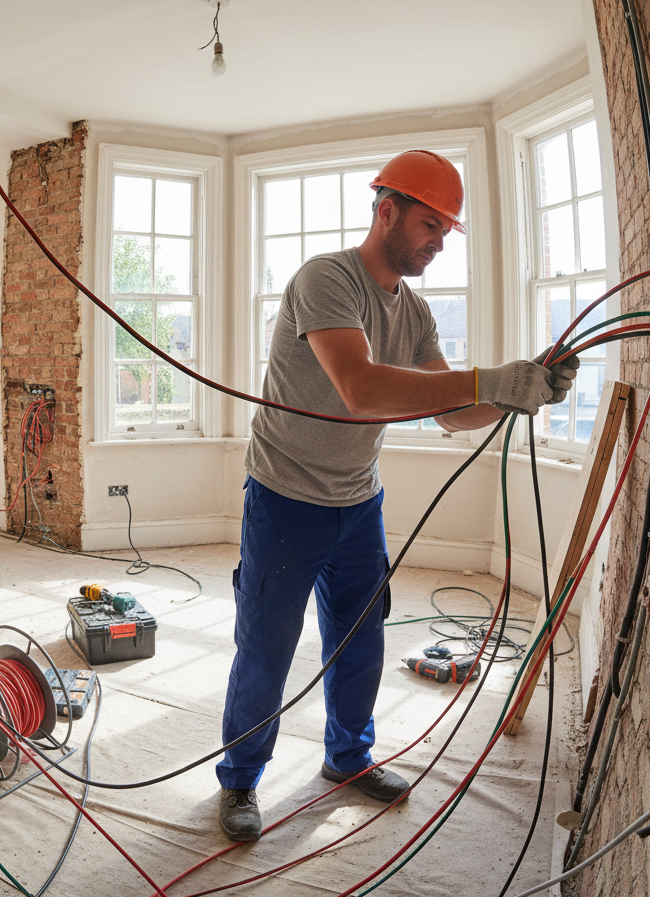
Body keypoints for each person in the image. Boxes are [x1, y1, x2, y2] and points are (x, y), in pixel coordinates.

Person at [216, 150, 579, 842]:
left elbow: (452, 412)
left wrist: (514, 389)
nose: (440, 242)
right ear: (386, 211)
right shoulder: (326, 280)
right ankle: (239, 780)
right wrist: (485, 380)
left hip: (360, 503)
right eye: (430, 225)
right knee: (266, 646)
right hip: (286, 497)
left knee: (361, 641)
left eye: (446, 231)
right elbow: (362, 389)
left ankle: (347, 761)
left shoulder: (411, 311)